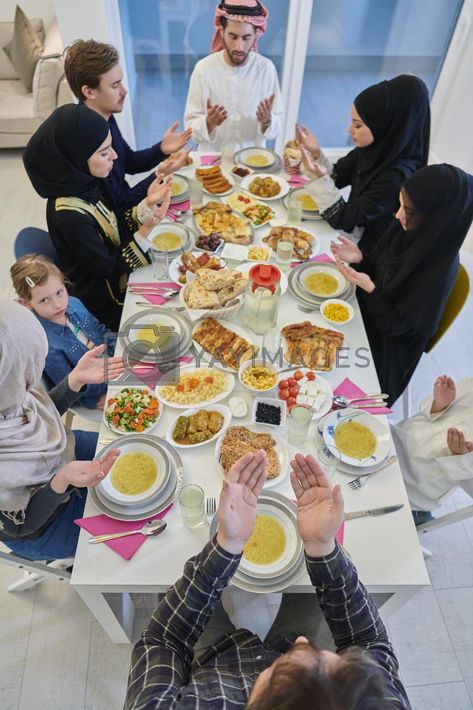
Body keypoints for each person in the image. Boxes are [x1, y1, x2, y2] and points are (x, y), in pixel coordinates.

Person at [124, 451, 410, 709]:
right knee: (316, 588)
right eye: (328, 659)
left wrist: (226, 545)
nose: (301, 641)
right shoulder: (378, 703)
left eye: (280, 671)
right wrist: (321, 546)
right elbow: (368, 642)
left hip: (213, 660)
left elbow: (163, 639)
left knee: (172, 582)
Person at [331, 163, 473, 407]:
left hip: (385, 355)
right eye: (400, 205)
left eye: (408, 210)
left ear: (436, 217)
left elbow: (395, 328)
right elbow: (380, 268)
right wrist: (361, 259)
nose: (398, 215)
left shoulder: (437, 272)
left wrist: (371, 289)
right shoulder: (407, 229)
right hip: (367, 315)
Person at [23, 103, 171, 331]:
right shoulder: (69, 216)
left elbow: (113, 225)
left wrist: (147, 205)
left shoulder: (86, 181)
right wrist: (145, 230)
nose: (113, 156)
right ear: (76, 158)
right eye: (104, 152)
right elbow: (110, 268)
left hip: (119, 276)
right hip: (105, 304)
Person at [0, 301, 122, 561]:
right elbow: (20, 526)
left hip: (65, 454)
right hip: (45, 524)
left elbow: (38, 415)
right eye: (30, 368)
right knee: (132, 538)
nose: (34, 377)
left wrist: (73, 381)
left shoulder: (7, 389)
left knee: (134, 452)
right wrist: (62, 479)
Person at [298, 74, 430, 253]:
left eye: (357, 125)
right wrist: (316, 154)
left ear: (384, 125)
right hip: (351, 240)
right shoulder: (376, 148)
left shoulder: (396, 176)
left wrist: (321, 176)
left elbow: (344, 218)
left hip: (368, 256)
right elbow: (338, 177)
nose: (349, 130)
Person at [64, 39, 192, 216]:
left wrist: (162, 149)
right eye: (115, 85)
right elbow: (120, 204)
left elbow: (129, 162)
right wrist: (159, 174)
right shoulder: (88, 144)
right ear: (89, 92)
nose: (124, 91)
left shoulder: (104, 118)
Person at [11, 254, 116, 410]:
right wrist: (111, 384)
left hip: (113, 366)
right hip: (96, 390)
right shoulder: (46, 344)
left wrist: (120, 347)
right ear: (25, 303)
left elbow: (100, 329)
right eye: (44, 300)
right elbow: (70, 384)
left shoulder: (74, 303)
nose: (58, 304)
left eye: (59, 292)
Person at [184, 0, 284, 151]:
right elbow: (191, 129)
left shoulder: (265, 69)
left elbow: (278, 124)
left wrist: (267, 122)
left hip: (253, 162)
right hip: (212, 163)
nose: (239, 46)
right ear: (222, 32)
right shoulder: (204, 69)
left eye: (246, 38)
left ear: (255, 35)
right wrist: (208, 123)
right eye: (233, 36)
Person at [391, 375, 473, 525]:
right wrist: (438, 404)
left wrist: (461, 458)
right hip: (393, 441)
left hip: (410, 489)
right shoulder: (470, 384)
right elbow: (424, 413)